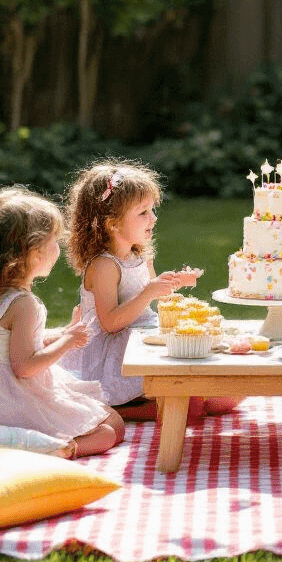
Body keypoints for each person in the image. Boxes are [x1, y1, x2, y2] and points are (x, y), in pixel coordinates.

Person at [0, 186, 125, 458]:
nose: (58, 249)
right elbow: (25, 366)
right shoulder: (24, 305)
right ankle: (58, 450)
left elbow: (8, 343)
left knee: (105, 416)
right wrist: (67, 343)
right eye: (54, 242)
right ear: (34, 252)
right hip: (14, 399)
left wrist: (61, 333)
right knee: (112, 429)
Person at [61, 160, 240, 422]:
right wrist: (148, 292)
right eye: (143, 212)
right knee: (192, 408)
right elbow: (110, 322)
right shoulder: (104, 266)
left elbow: (154, 296)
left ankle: (173, 401)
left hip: (142, 336)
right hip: (113, 354)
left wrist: (173, 282)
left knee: (230, 397)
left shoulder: (140, 255)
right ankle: (121, 409)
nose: (153, 218)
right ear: (112, 224)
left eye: (152, 210)